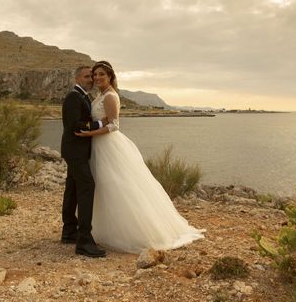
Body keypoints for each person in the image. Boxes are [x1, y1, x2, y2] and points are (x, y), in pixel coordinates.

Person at [76, 61, 205, 254]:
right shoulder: (100, 95)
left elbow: (114, 126)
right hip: (98, 146)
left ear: (110, 76)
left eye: (101, 74)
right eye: (95, 75)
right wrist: (93, 127)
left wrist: (89, 134)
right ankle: (102, 228)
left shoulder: (111, 96)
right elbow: (101, 120)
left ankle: (134, 232)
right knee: (103, 187)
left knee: (118, 186)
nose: (97, 78)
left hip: (108, 145)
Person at [60, 66, 107, 258]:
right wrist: (102, 123)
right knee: (87, 186)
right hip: (75, 151)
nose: (92, 79)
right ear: (77, 78)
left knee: (72, 188)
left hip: (76, 150)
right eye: (88, 76)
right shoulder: (73, 96)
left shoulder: (83, 96)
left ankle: (69, 231)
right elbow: (75, 126)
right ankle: (84, 240)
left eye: (92, 76)